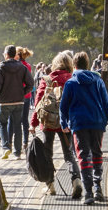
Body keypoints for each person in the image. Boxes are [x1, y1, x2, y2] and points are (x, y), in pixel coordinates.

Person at [60, 50, 108, 205]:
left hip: (79, 124)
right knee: (97, 154)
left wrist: (64, 123)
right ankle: (98, 188)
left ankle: (89, 193)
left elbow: (63, 107)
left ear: (74, 65)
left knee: (84, 157)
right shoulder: (98, 81)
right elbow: (106, 103)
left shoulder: (71, 83)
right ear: (87, 64)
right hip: (98, 123)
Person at [30, 51, 83, 199]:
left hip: (48, 123)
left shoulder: (47, 79)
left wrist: (33, 124)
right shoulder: (73, 79)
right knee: (69, 154)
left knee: (47, 153)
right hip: (66, 123)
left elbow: (38, 104)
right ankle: (76, 181)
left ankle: (50, 185)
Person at [0, 45, 33, 160]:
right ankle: (17, 152)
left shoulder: (1, 68)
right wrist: (22, 93)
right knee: (17, 125)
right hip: (19, 101)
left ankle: (6, 147)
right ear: (15, 54)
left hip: (5, 102)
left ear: (5, 55)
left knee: (2, 123)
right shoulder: (22, 67)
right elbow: (30, 84)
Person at [17, 45, 34, 147]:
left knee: (16, 120)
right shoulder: (28, 65)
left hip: (17, 95)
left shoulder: (17, 65)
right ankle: (25, 141)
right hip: (27, 95)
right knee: (25, 119)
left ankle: (17, 143)